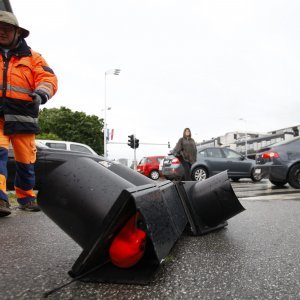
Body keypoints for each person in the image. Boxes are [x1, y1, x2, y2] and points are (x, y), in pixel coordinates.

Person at [0, 11, 58, 217]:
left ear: (17, 33)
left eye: (6, 29)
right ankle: (0, 199)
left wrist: (41, 94)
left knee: (25, 161)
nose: (2, 32)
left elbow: (48, 78)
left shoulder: (34, 57)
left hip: (23, 116)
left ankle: (25, 198)